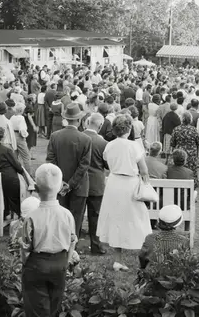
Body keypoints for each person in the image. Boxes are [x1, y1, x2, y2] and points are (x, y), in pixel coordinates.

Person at [96, 114, 152, 272]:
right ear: (129, 129)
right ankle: (144, 256)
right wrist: (146, 183)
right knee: (138, 218)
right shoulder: (134, 146)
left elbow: (108, 163)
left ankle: (118, 259)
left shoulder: (109, 145)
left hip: (114, 182)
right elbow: (144, 170)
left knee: (116, 219)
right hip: (129, 183)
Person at [20, 164, 77, 317]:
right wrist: (66, 261)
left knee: (36, 308)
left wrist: (25, 262)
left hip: (36, 264)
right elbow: (72, 241)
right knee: (54, 307)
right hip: (60, 263)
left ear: (36, 188)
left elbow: (25, 247)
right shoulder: (67, 215)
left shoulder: (31, 216)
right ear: (60, 188)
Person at [45, 102, 92, 239]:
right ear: (79, 120)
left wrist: (61, 183)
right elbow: (84, 166)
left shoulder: (55, 136)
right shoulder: (85, 139)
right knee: (75, 220)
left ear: (66, 119)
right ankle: (72, 246)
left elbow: (50, 161)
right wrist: (70, 185)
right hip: (78, 186)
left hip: (59, 185)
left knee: (60, 219)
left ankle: (60, 244)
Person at [81, 113, 108, 255]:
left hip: (79, 181)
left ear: (88, 122)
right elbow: (107, 164)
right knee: (95, 216)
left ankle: (74, 245)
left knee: (77, 215)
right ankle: (96, 246)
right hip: (96, 183)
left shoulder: (79, 137)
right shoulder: (102, 143)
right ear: (100, 125)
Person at [138, 204, 190, 269]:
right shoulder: (184, 241)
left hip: (153, 273)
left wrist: (142, 268)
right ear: (178, 224)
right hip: (176, 273)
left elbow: (142, 256)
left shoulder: (150, 238)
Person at [169, 112, 199, 179]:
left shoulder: (176, 129)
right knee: (192, 170)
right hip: (192, 153)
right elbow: (198, 142)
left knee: (179, 169)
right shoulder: (194, 129)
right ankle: (193, 182)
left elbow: (172, 143)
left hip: (180, 152)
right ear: (190, 119)